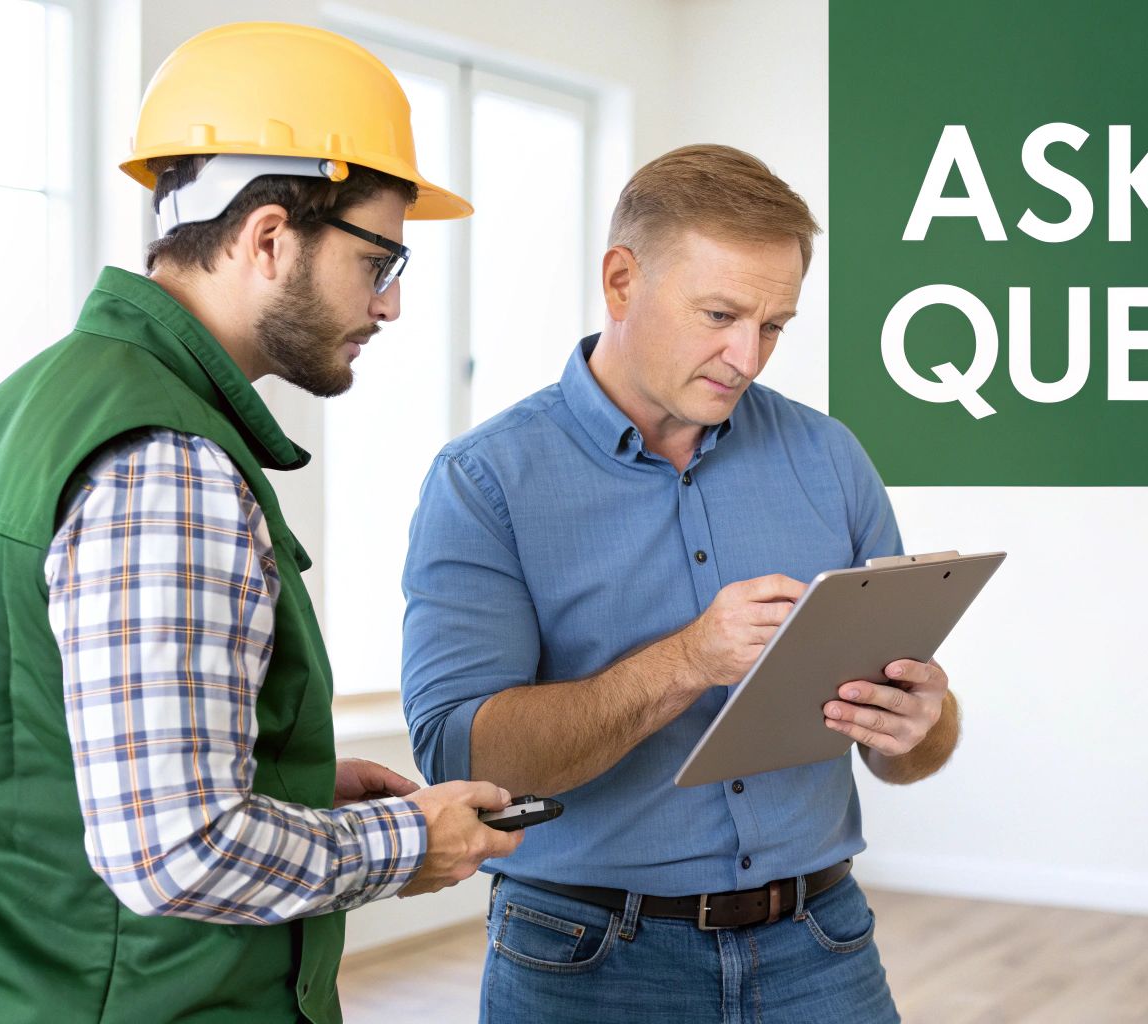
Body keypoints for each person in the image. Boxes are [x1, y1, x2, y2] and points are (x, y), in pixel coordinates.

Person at [0, 23, 521, 1024]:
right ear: (269, 237)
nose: (393, 305)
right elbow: (175, 850)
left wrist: (293, 776)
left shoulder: (35, 405)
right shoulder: (165, 463)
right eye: (381, 259)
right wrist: (415, 842)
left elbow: (58, 754)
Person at [400, 144, 961, 1022]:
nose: (747, 356)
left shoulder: (829, 458)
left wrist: (920, 725)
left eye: (774, 325)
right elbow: (462, 758)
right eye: (720, 314)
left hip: (822, 945)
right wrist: (690, 659)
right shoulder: (488, 481)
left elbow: (908, 752)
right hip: (584, 962)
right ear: (621, 282)